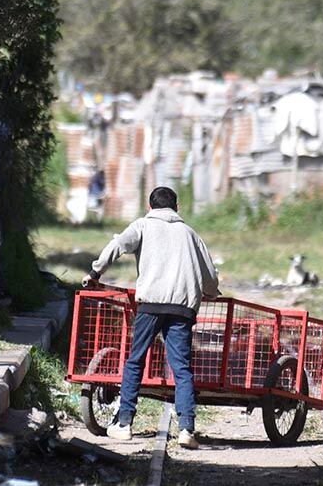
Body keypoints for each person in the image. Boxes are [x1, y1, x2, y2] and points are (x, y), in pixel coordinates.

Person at [82, 186, 219, 449]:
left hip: (151, 305)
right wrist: (211, 293)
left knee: (136, 360)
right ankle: (187, 429)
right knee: (181, 368)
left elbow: (118, 244)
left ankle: (124, 424)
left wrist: (95, 272)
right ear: (177, 208)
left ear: (150, 207)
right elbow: (210, 274)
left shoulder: (143, 226)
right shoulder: (191, 234)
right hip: (182, 308)